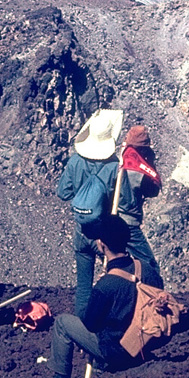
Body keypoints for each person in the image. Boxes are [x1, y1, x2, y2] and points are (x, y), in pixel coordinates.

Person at [29, 215, 164, 378]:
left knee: (63, 323)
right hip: (143, 344)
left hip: (118, 351)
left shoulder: (106, 285)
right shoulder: (146, 270)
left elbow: (90, 324)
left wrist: (93, 293)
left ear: (101, 245)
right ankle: (101, 367)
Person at [56, 109, 123, 317]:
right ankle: (103, 330)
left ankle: (81, 330)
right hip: (105, 236)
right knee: (112, 283)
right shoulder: (114, 166)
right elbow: (122, 200)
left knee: (83, 286)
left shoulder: (75, 161)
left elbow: (62, 192)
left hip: (81, 232)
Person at [113, 125, 162, 281]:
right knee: (150, 264)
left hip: (112, 219)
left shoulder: (117, 159)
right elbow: (152, 192)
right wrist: (151, 163)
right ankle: (154, 295)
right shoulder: (140, 170)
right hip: (129, 223)